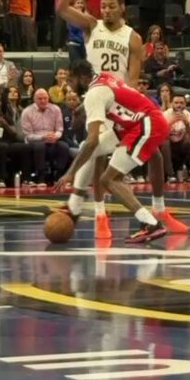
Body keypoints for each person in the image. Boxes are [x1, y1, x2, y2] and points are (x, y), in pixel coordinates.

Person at [56, 61, 171, 244]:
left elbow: (93, 140)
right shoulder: (104, 78)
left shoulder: (94, 94)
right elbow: (107, 97)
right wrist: (81, 110)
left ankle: (151, 224)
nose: (68, 85)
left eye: (71, 80)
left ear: (83, 78)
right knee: (91, 149)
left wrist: (70, 173)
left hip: (146, 125)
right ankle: (75, 207)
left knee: (108, 178)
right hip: (137, 123)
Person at [20, 88, 71, 187]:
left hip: (52, 139)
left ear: (48, 98)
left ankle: (58, 176)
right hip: (35, 140)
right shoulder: (27, 112)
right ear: (34, 99)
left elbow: (60, 129)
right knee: (40, 147)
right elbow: (28, 135)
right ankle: (41, 176)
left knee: (64, 146)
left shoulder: (55, 109)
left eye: (45, 98)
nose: (43, 101)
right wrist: (43, 137)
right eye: (40, 99)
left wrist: (55, 136)